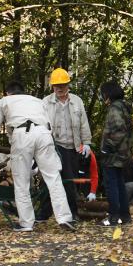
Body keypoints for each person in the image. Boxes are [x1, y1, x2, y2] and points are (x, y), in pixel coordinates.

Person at [0, 81, 77, 232]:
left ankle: (26, 223)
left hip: (22, 134)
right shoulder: (38, 101)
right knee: (53, 178)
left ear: (8, 93)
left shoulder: (4, 101)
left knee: (21, 180)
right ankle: (65, 217)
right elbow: (50, 124)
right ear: (23, 91)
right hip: (44, 134)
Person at [42, 67, 92, 217]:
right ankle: (44, 213)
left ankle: (72, 213)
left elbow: (84, 123)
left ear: (68, 85)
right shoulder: (46, 102)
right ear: (52, 86)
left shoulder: (77, 101)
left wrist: (87, 142)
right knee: (50, 179)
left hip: (72, 147)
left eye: (62, 85)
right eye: (56, 86)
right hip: (53, 146)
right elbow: (42, 125)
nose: (60, 88)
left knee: (69, 181)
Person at [98, 80, 133, 226]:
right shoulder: (124, 107)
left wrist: (108, 147)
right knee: (119, 184)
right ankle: (125, 216)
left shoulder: (114, 109)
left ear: (107, 94)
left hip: (113, 155)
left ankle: (113, 217)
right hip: (123, 154)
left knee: (111, 185)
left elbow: (119, 130)